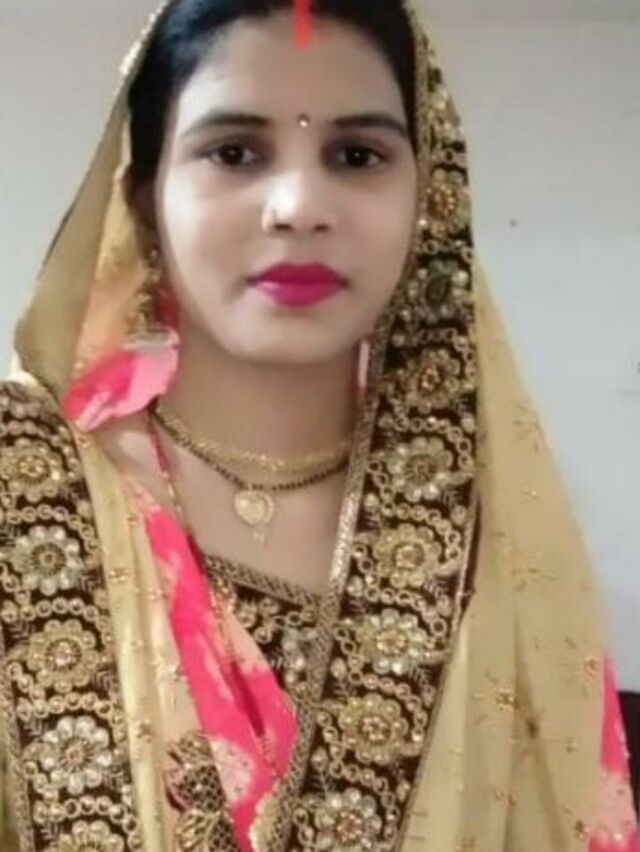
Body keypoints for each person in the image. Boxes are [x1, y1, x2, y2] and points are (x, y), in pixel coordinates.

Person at [0, 0, 637, 849]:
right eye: (235, 152)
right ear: (145, 199)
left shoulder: (496, 537)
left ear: (428, 199)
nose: (299, 205)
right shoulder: (25, 491)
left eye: (356, 155)